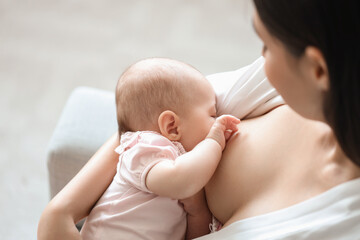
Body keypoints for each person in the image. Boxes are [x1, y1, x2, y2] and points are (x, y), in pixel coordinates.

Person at [38, 0, 360, 238]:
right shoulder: (271, 84)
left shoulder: (329, 222)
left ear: (317, 70)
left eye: (268, 45)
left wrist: (198, 210)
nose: (260, 59)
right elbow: (156, 113)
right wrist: (59, 213)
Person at [79, 58, 240, 240]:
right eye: (212, 114)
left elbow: (194, 236)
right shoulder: (142, 149)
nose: (216, 121)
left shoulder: (182, 170)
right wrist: (214, 142)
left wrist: (198, 211)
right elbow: (182, 180)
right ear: (172, 126)